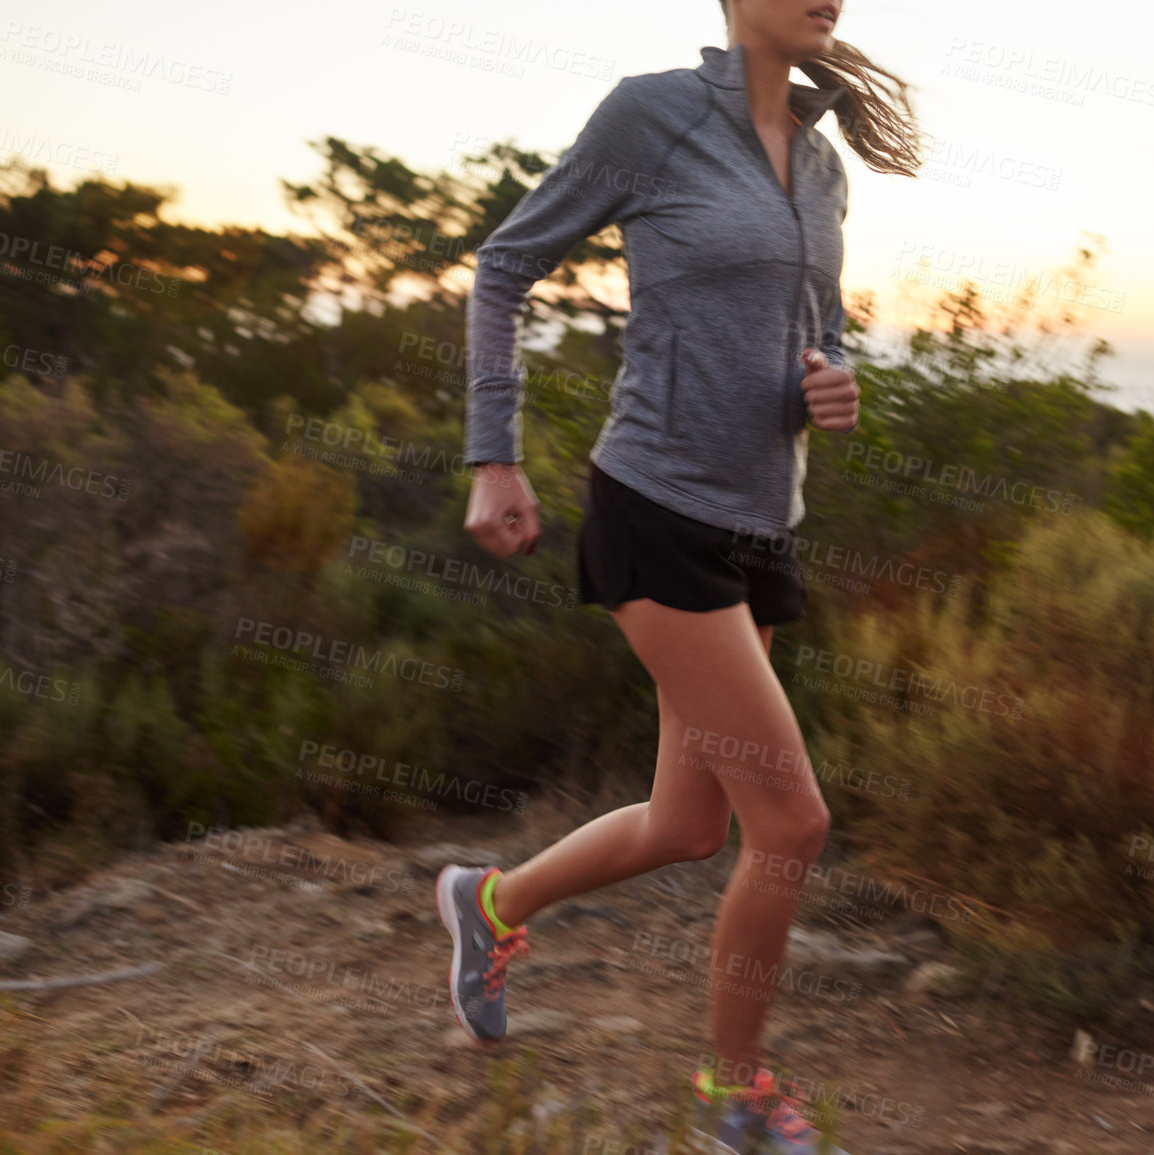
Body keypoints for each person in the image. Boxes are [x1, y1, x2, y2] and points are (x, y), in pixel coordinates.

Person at [435, 2, 922, 1151]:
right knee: (792, 824)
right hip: (656, 512)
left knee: (686, 825)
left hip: (761, 528)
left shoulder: (824, 162)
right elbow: (503, 271)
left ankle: (489, 902)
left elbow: (820, 324)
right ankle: (734, 1101)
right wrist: (493, 456)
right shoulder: (651, 114)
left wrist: (831, 379)